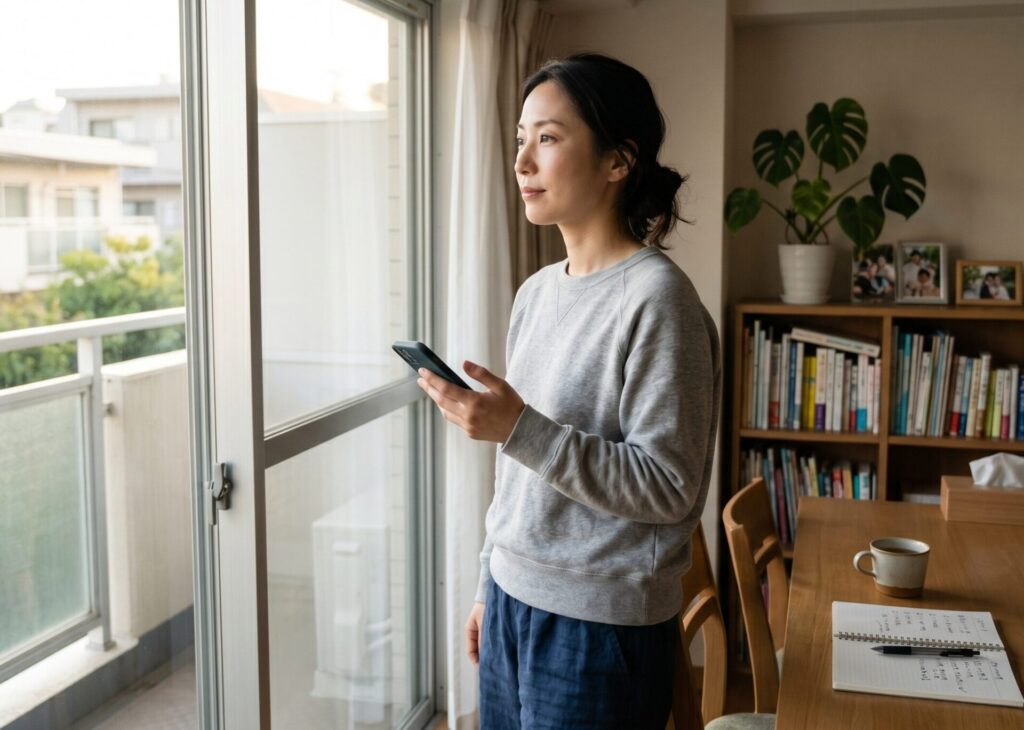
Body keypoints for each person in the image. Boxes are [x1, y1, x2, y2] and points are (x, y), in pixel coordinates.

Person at [415, 53, 721, 728]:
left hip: (600, 627)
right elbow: (518, 475)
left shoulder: (658, 300)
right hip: (510, 602)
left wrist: (518, 428)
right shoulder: (535, 293)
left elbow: (668, 486)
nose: (522, 162)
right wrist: (488, 581)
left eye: (548, 138)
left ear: (618, 161)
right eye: (520, 139)